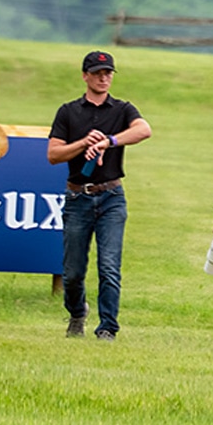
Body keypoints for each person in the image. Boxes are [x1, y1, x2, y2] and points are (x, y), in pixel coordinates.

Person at [48, 51, 152, 341]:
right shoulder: (68, 112)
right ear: (85, 76)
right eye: (97, 73)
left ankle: (107, 327)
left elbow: (144, 130)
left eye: (108, 73)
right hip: (78, 197)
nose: (104, 77)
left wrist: (109, 141)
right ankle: (77, 311)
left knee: (109, 266)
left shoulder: (122, 109)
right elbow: (53, 154)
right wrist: (83, 143)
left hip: (111, 197)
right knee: (72, 272)